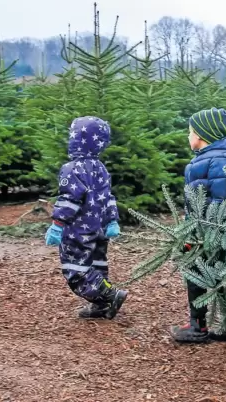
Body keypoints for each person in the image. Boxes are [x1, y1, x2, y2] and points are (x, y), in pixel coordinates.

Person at [169, 107, 226, 343]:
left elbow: (220, 200)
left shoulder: (217, 160)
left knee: (196, 273)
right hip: (217, 231)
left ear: (203, 135)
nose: (188, 136)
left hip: (210, 232)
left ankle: (198, 326)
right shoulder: (218, 157)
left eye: (190, 132)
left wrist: (196, 234)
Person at [44, 115, 128, 319]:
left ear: (76, 139)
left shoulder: (71, 169)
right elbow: (107, 197)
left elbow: (69, 200)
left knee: (77, 270)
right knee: (97, 264)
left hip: (78, 231)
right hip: (98, 230)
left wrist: (57, 224)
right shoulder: (100, 167)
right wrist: (112, 220)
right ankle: (101, 306)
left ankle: (109, 295)